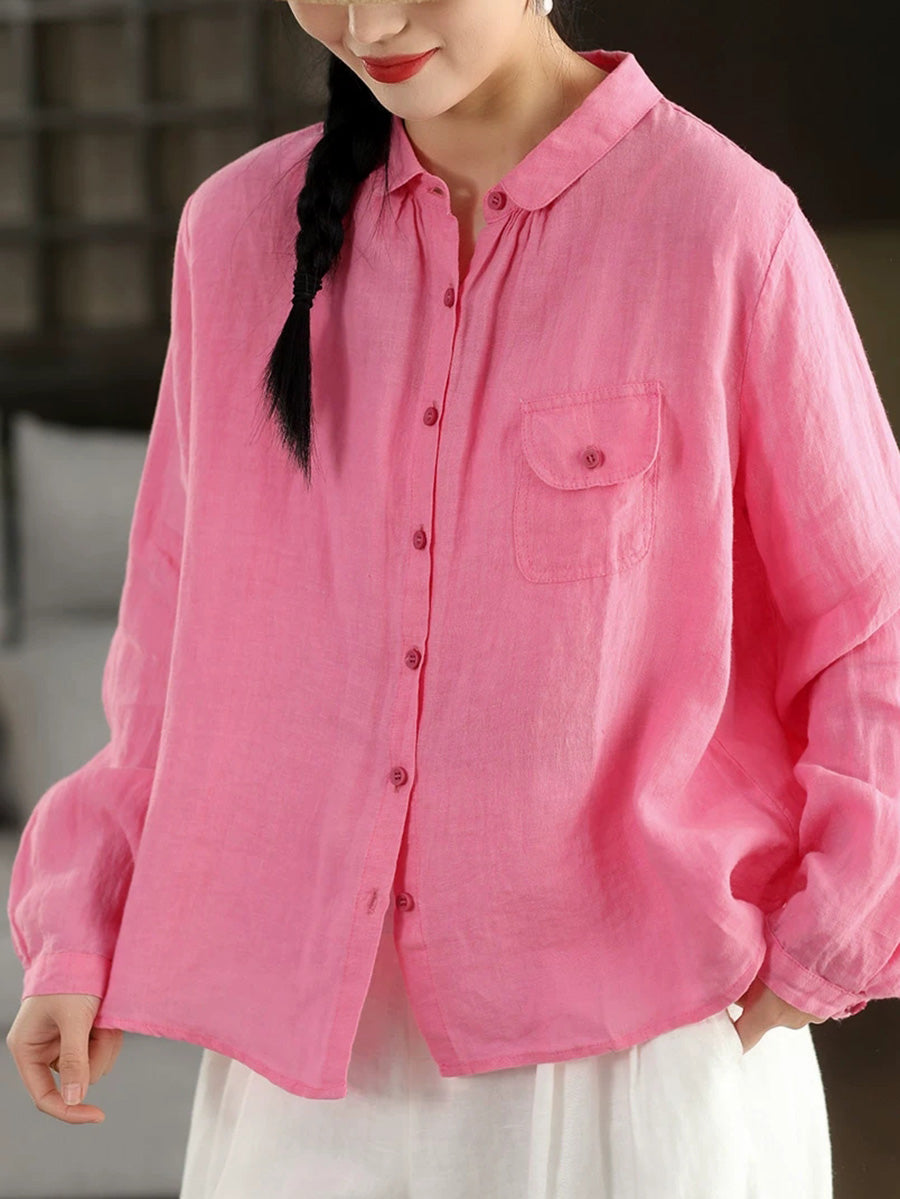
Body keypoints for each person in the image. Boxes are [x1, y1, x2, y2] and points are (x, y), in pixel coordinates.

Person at [9, 1, 900, 1195]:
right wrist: (83, 921)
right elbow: (175, 640)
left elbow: (872, 621)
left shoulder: (722, 228)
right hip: (313, 1083)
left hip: (642, 1060)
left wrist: (835, 929)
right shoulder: (234, 237)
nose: (367, 20)